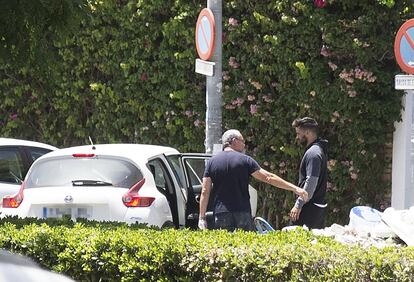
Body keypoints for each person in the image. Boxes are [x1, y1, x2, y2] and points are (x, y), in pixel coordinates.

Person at [198, 129, 308, 231]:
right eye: (242, 141)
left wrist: (202, 218)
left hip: (221, 213)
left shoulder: (212, 162)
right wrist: (295, 188)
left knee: (225, 248)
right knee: (244, 247)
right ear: (234, 141)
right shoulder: (245, 160)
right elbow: (268, 177)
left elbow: (204, 191)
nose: (244, 144)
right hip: (242, 211)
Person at [289, 117, 328, 229]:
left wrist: (298, 205)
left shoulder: (313, 153)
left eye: (298, 133)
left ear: (307, 132)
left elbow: (311, 181)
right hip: (315, 207)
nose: (297, 137)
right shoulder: (319, 149)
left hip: (309, 209)